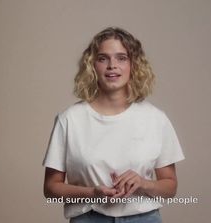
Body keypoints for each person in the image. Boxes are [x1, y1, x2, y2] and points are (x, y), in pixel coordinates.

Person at [43, 27, 185, 223]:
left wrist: (143, 184)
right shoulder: (70, 119)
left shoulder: (156, 119)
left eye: (121, 58)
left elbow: (170, 187)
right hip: (89, 219)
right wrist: (93, 193)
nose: (112, 65)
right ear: (92, 65)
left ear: (134, 65)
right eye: (103, 58)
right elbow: (51, 188)